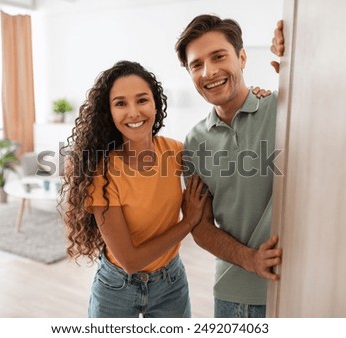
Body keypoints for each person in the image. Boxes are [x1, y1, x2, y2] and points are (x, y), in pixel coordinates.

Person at [61, 60, 209, 318]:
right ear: (109, 112)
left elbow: (222, 152)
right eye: (120, 103)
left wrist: (255, 99)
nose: (133, 112)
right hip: (117, 288)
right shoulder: (103, 174)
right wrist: (188, 223)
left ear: (156, 104)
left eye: (142, 100)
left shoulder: (175, 152)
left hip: (171, 284)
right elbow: (130, 261)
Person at [175, 14, 284, 318]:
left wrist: (292, 58)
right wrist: (250, 259)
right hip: (232, 295)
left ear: (243, 57)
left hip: (292, 286)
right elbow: (201, 227)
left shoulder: (282, 109)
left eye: (219, 56)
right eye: (196, 65)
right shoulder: (194, 141)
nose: (208, 72)